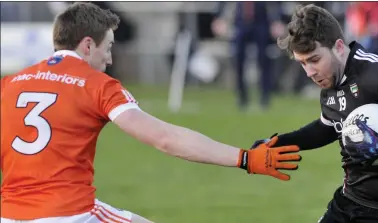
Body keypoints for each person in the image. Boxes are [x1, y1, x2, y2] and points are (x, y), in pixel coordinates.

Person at [0, 3, 302, 223]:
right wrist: (245, 158)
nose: (108, 59)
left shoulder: (10, 83)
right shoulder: (97, 85)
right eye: (108, 47)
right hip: (70, 214)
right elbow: (165, 138)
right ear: (88, 45)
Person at [250, 4, 378, 223]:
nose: (309, 72)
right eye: (303, 63)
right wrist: (278, 142)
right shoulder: (330, 82)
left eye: (315, 60)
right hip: (350, 202)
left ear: (339, 47)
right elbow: (327, 128)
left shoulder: (375, 71)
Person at [212, 2, 285, 111]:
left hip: (262, 22)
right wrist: (220, 18)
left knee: (264, 61)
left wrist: (277, 20)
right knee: (238, 60)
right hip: (240, 22)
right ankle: (242, 97)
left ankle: (265, 97)